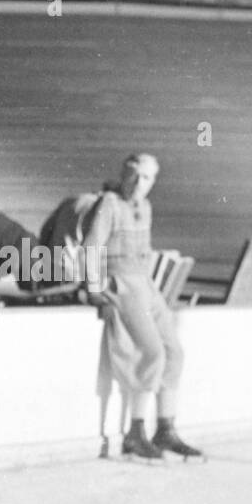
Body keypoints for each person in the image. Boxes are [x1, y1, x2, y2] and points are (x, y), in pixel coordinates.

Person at [82, 153, 201, 461]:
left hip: (145, 284)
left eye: (146, 178)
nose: (139, 183)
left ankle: (165, 429)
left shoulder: (145, 207)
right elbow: (91, 247)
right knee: (152, 352)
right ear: (123, 175)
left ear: (153, 181)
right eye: (134, 175)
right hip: (120, 283)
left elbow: (142, 252)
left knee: (175, 352)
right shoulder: (109, 203)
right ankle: (135, 432)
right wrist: (95, 291)